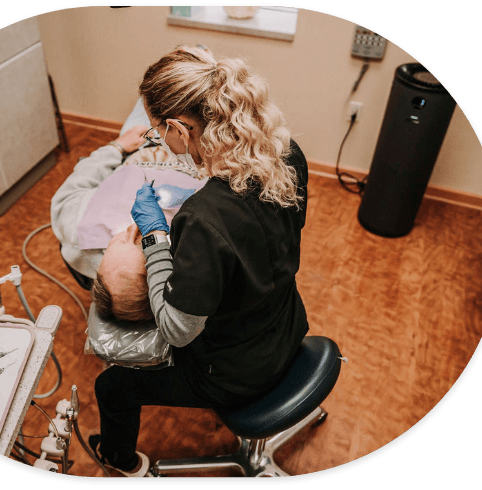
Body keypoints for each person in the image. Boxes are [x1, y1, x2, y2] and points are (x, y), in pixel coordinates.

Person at [89, 46, 310, 478]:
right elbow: (272, 236)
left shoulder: (203, 220)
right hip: (287, 327)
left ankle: (121, 462)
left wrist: (155, 238)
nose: (161, 143)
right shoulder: (288, 155)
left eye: (158, 133)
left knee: (111, 386)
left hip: (236, 374)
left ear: (179, 127)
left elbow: (177, 331)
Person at [51, 123, 207, 321]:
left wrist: (116, 147)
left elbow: (78, 182)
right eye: (141, 243)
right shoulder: (198, 242)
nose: (133, 227)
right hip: (202, 152)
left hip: (140, 145)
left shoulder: (77, 229)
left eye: (116, 241)